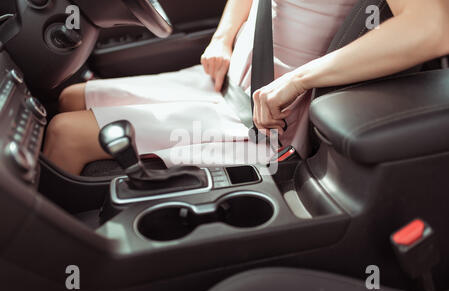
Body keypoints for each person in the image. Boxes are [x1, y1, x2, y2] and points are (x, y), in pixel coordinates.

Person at [43, 0, 449, 175]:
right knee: (69, 98)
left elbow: (432, 28)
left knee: (66, 135)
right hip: (226, 84)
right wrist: (222, 38)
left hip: (269, 121)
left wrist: (297, 79)